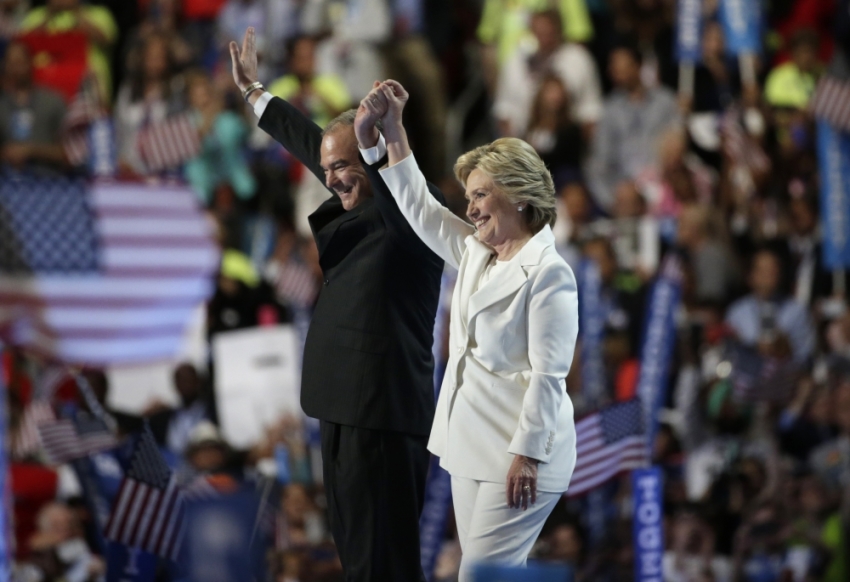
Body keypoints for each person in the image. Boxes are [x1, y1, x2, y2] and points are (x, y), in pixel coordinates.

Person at [230, 28, 445, 581]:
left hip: (381, 413)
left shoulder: (410, 219)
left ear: (374, 161)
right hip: (344, 406)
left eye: (343, 167)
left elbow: (389, 176)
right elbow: (316, 143)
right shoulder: (356, 198)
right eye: (326, 171)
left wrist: (380, 134)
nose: (331, 179)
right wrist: (256, 93)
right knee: (359, 559)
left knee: (383, 564)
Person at [355, 79, 578, 579]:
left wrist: (526, 455)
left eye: (481, 195)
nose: (471, 207)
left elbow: (549, 374)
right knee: (477, 574)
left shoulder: (549, 273)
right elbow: (423, 211)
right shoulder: (480, 252)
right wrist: (394, 131)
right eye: (469, 196)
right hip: (472, 441)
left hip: (523, 456)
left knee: (480, 574)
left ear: (518, 197)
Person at [0, 42, 68, 175]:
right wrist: (6, 153)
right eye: (10, 63)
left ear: (30, 64)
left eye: (19, 62)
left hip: (47, 184)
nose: (15, 69)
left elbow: (71, 153)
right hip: (6, 185)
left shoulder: (52, 102)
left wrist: (31, 150)